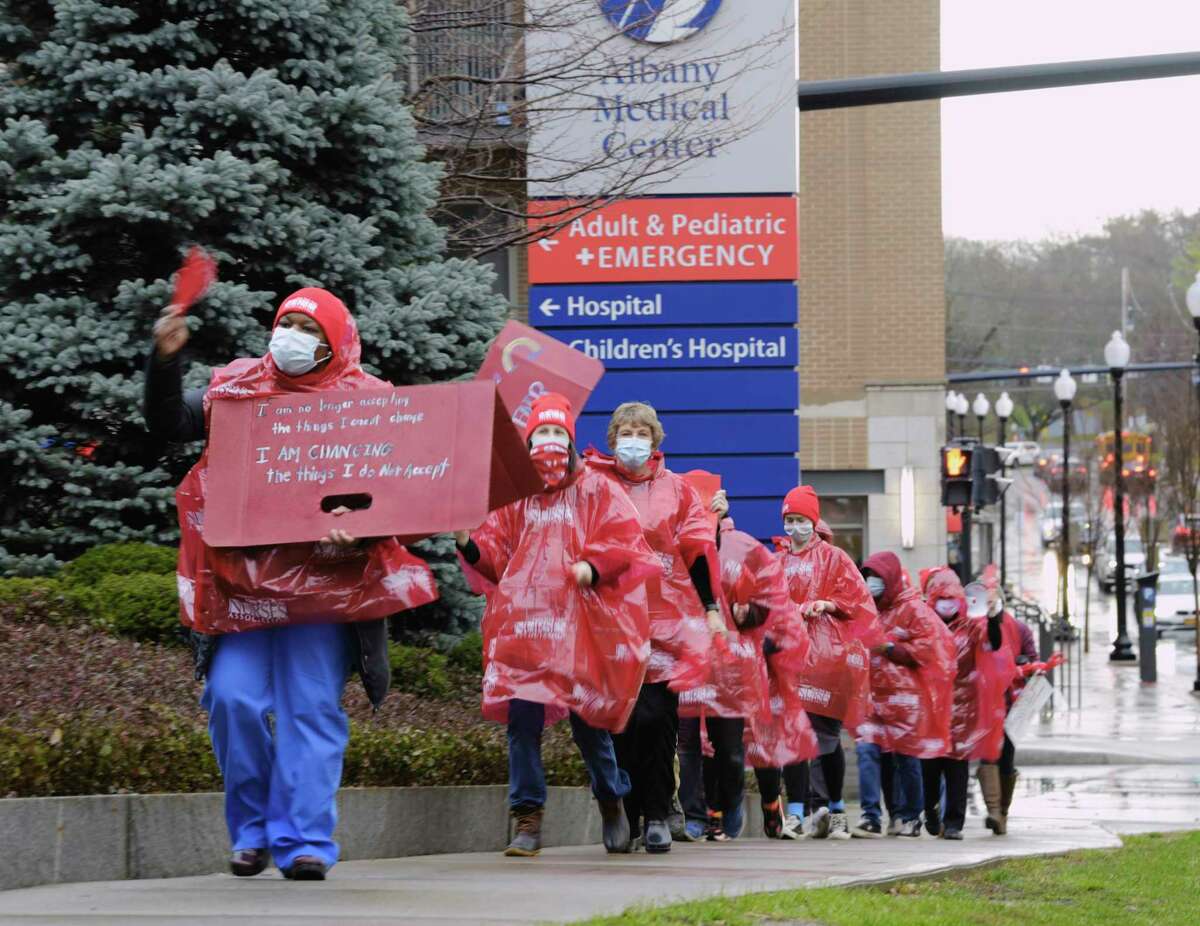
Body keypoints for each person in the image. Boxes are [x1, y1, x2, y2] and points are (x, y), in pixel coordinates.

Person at [146, 287, 439, 881]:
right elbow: (169, 423)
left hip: (326, 592)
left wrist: (355, 529)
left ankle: (304, 840)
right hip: (243, 590)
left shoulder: (369, 402)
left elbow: (399, 490)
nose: (293, 337)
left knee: (309, 707)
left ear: (335, 342)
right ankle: (251, 832)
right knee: (232, 699)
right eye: (287, 323)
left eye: (309, 328)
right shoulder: (237, 389)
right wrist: (166, 359)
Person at [455, 394, 660, 858]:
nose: (548, 442)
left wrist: (591, 565)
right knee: (521, 724)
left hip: (579, 629)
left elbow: (623, 538)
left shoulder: (597, 489)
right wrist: (467, 543)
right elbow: (496, 558)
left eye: (556, 433)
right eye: (540, 434)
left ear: (570, 440)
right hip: (524, 629)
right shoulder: (513, 497)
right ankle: (527, 820)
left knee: (589, 726)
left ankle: (611, 799)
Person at [586, 402, 722, 853]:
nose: (633, 440)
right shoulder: (593, 485)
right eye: (625, 431)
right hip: (610, 621)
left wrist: (709, 606)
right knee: (619, 720)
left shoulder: (678, 491)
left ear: (656, 440)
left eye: (642, 432)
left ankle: (659, 814)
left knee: (658, 717)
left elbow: (697, 550)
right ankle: (626, 811)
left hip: (666, 620)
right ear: (612, 439)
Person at [767, 485, 879, 840]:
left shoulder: (833, 558)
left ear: (813, 522)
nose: (795, 527)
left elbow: (858, 600)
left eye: (801, 520)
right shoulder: (779, 561)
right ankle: (797, 812)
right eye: (790, 520)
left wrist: (827, 604)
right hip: (790, 659)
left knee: (827, 737)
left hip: (828, 661)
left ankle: (835, 809)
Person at [852, 552, 955, 839]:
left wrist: (888, 648)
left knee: (905, 758)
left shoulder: (914, 610)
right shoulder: (868, 609)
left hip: (906, 699)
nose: (872, 584)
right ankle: (872, 815)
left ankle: (911, 816)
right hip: (873, 697)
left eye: (877, 578)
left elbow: (931, 649)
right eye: (868, 578)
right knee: (868, 751)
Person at [919, 567, 1013, 839]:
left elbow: (992, 643)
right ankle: (932, 811)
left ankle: (953, 824)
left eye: (952, 597)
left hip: (962, 708)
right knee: (930, 767)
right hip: (930, 707)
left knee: (957, 767)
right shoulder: (924, 623)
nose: (947, 603)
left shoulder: (972, 625)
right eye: (941, 598)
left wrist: (994, 616)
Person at [975, 568, 1039, 835]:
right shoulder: (976, 627)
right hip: (985, 702)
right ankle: (993, 811)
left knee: (1006, 756)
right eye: (984, 602)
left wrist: (1024, 663)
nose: (988, 606)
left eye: (992, 600)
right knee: (988, 755)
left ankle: (1003, 811)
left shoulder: (1019, 629)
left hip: (1012, 702)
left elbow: (1034, 658)